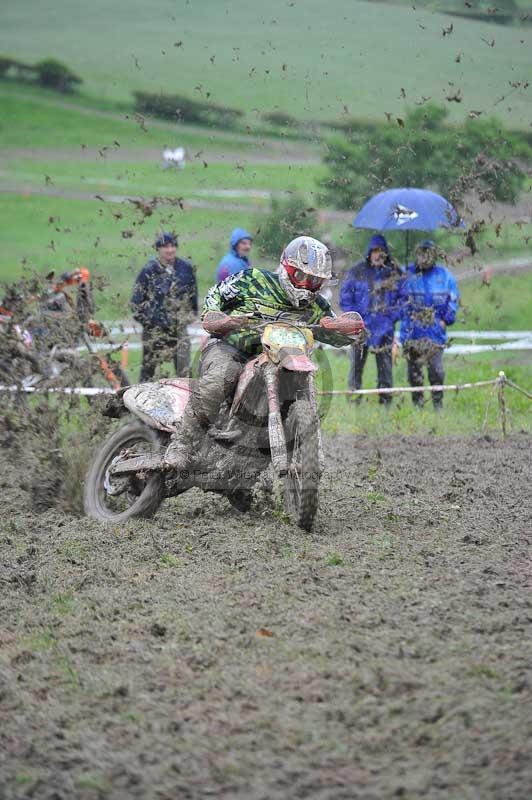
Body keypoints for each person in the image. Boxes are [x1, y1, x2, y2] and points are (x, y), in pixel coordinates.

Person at [163, 236, 363, 470]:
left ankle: (248, 472)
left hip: (283, 359)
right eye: (302, 276)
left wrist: (346, 330)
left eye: (315, 281)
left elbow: (332, 331)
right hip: (232, 348)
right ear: (287, 267)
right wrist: (217, 317)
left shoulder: (316, 305)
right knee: (221, 377)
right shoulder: (254, 279)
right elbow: (216, 293)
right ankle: (182, 445)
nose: (307, 285)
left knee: (295, 389)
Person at [339, 234, 403, 404]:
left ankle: (386, 405)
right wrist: (353, 321)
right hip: (361, 330)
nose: (378, 255)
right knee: (355, 370)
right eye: (375, 251)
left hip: (385, 330)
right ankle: (354, 402)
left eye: (381, 251)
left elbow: (404, 300)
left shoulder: (395, 273)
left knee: (386, 371)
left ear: (386, 253)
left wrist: (391, 319)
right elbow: (345, 298)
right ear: (369, 252)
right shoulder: (356, 272)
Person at [398, 240, 460, 409]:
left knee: (436, 371)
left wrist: (445, 320)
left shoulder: (445, 276)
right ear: (416, 255)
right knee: (414, 373)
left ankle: (437, 404)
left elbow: (453, 299)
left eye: (428, 254)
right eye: (421, 254)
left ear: (434, 256)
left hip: (435, 333)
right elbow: (398, 301)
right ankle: (418, 406)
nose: (424, 258)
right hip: (412, 332)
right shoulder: (407, 274)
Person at [131, 232, 198, 381]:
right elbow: (135, 304)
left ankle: (189, 402)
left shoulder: (186, 269)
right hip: (154, 331)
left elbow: (193, 299)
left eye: (173, 246)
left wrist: (188, 317)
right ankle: (140, 401)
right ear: (158, 249)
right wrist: (149, 322)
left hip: (179, 329)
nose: (170, 250)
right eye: (166, 246)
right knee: (148, 371)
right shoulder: (148, 271)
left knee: (185, 372)